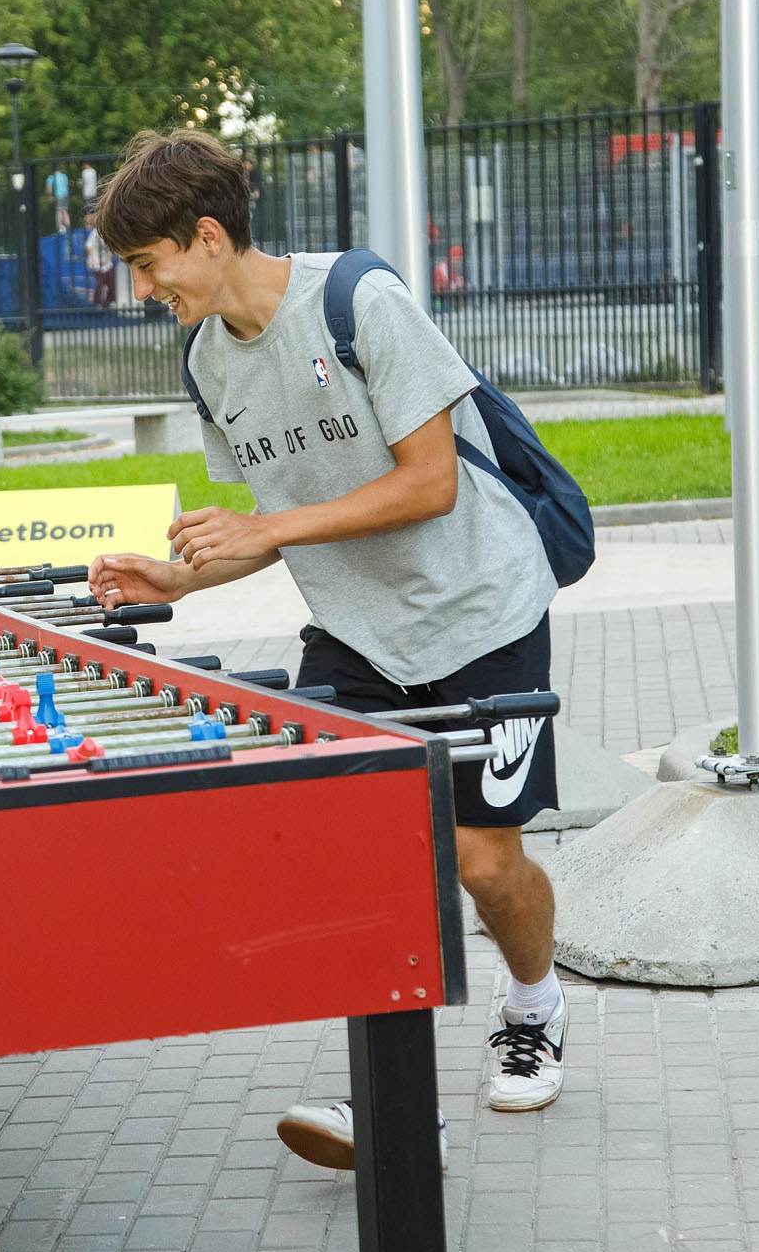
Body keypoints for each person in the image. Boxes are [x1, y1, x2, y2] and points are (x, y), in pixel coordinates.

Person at [86, 128, 569, 1173]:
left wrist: (263, 531)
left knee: (483, 862)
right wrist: (181, 576)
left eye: (146, 263)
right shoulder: (207, 359)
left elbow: (426, 483)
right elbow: (282, 519)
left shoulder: (358, 302)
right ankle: (394, 1099)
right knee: (347, 852)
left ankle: (532, 1003)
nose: (142, 288)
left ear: (204, 236)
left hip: (480, 608)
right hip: (354, 635)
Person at [46, 166, 72, 234]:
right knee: (65, 211)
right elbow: (67, 185)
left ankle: (60, 228)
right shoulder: (64, 176)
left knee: (58, 211)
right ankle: (68, 227)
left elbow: (49, 188)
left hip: (58, 195)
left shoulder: (51, 177)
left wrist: (50, 196)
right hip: (65, 195)